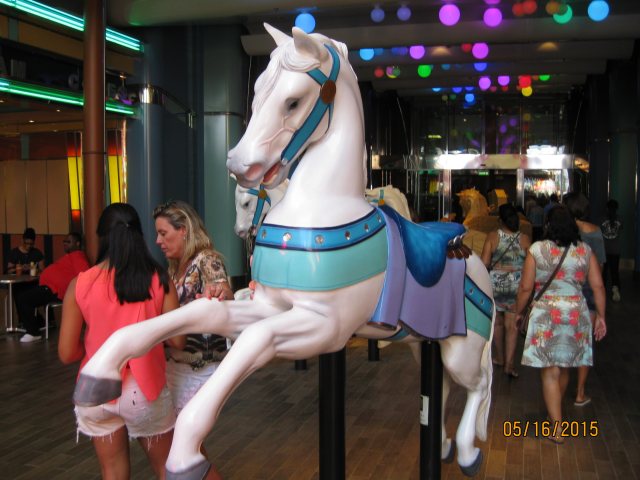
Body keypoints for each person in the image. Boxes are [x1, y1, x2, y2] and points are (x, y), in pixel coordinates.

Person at [58, 203, 185, 479]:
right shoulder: (160, 280)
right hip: (143, 389)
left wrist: (91, 347)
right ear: (139, 235)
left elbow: (66, 353)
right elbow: (178, 341)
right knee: (167, 468)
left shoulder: (80, 283)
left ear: (101, 238)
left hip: (95, 389)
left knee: (112, 471)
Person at [153, 201, 231, 480]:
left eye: (163, 233)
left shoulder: (206, 260)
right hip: (178, 367)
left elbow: (223, 291)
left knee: (184, 444)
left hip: (199, 369)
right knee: (185, 446)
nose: (158, 241)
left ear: (183, 230)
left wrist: (219, 292)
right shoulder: (175, 268)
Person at [516, 205, 606, 444]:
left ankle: (557, 429)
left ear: (548, 225)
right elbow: (598, 286)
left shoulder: (536, 249)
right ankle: (553, 412)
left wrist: (518, 311)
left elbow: (526, 287)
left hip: (546, 313)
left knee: (549, 371)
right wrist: (602, 316)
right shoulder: (585, 251)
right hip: (576, 313)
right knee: (564, 368)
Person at [563, 192, 606, 407]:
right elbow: (601, 266)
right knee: (584, 342)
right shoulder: (596, 231)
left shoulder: (563, 231)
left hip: (567, 290)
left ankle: (558, 389)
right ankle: (580, 392)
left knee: (564, 340)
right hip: (589, 292)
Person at [481, 203, 531, 378]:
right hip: (516, 285)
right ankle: (509, 364)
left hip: (495, 285)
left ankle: (500, 357)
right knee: (512, 326)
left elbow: (485, 263)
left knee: (497, 323)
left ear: (500, 220)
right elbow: (531, 265)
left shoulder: (493, 236)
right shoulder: (524, 239)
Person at [16, 232, 90, 343]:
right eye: (64, 241)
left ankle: (33, 332)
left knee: (23, 299)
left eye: (68, 242)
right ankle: (39, 323)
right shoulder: (70, 256)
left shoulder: (78, 256)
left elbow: (85, 277)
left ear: (77, 244)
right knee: (20, 292)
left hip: (55, 290)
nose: (65, 244)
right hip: (49, 287)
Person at [601, 199, 622, 302]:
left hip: (604, 249)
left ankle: (602, 292)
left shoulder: (602, 219)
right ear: (616, 208)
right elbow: (620, 229)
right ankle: (616, 291)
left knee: (604, 272)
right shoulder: (620, 219)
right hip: (616, 249)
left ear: (607, 208)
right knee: (615, 271)